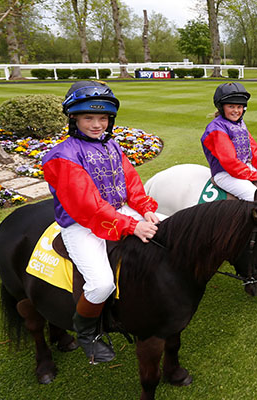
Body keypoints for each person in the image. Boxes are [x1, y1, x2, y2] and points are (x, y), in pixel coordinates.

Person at [42, 81, 163, 364]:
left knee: (166, 236)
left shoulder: (112, 144)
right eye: (88, 118)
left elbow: (130, 181)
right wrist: (132, 226)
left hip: (119, 213)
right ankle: (86, 334)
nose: (97, 124)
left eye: (103, 118)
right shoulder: (62, 156)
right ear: (73, 118)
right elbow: (88, 206)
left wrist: (144, 208)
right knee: (101, 284)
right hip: (81, 225)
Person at [201, 82, 257, 201]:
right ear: (221, 107)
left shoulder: (239, 123)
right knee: (256, 198)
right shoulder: (216, 129)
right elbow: (229, 161)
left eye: (239, 107)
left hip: (244, 168)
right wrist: (254, 175)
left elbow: (253, 149)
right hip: (225, 174)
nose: (236, 111)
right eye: (231, 106)